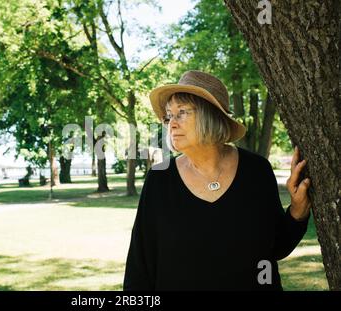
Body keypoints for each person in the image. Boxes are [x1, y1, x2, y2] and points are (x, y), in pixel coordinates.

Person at [123, 70, 311, 291]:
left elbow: (274, 247)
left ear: (209, 115)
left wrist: (298, 211)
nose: (171, 124)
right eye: (168, 116)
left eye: (181, 112)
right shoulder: (160, 179)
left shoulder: (256, 171)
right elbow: (139, 266)